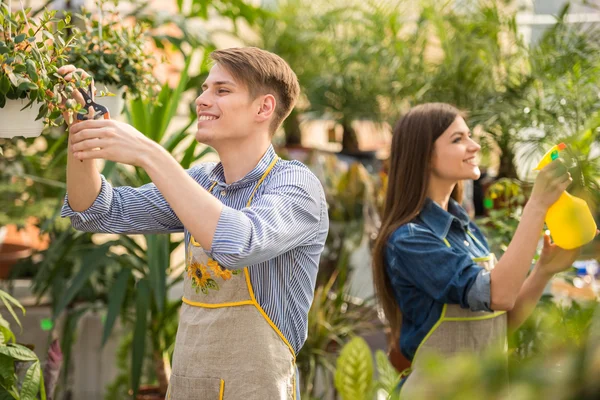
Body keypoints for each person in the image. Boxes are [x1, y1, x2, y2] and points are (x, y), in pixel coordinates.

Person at [58, 47, 329, 399]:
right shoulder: (201, 183)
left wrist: (149, 153)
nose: (202, 99)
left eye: (221, 90)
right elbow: (96, 210)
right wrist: (82, 132)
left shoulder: (296, 186)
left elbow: (239, 242)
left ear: (264, 108)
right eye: (204, 88)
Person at [372, 103, 588, 398]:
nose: (474, 146)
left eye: (469, 136)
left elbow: (500, 321)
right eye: (458, 139)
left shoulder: (466, 230)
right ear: (423, 156)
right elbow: (498, 294)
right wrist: (536, 205)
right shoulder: (410, 240)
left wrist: (544, 269)